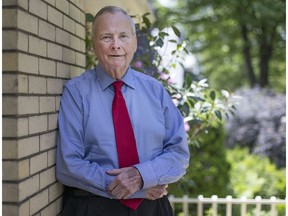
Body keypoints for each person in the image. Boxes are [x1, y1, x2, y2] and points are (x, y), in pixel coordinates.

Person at [56, 5, 190, 216]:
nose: (116, 45)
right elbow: (69, 165)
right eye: (107, 37)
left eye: (123, 36)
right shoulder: (76, 92)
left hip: (153, 209)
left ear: (135, 43)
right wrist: (137, 187)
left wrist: (141, 176)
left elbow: (178, 153)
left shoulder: (155, 91)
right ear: (94, 46)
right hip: (95, 207)